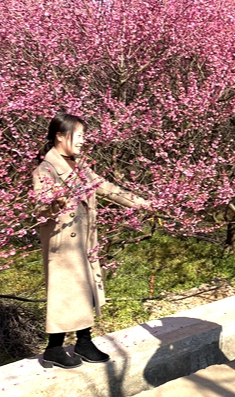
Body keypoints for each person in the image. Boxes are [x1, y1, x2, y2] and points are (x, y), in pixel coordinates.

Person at [32, 112, 149, 369]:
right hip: (63, 243)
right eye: (79, 135)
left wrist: (141, 203)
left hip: (84, 239)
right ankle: (54, 348)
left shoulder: (80, 167)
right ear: (60, 136)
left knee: (83, 290)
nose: (83, 140)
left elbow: (106, 187)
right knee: (65, 293)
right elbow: (40, 207)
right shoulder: (46, 169)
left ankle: (83, 342)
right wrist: (55, 202)